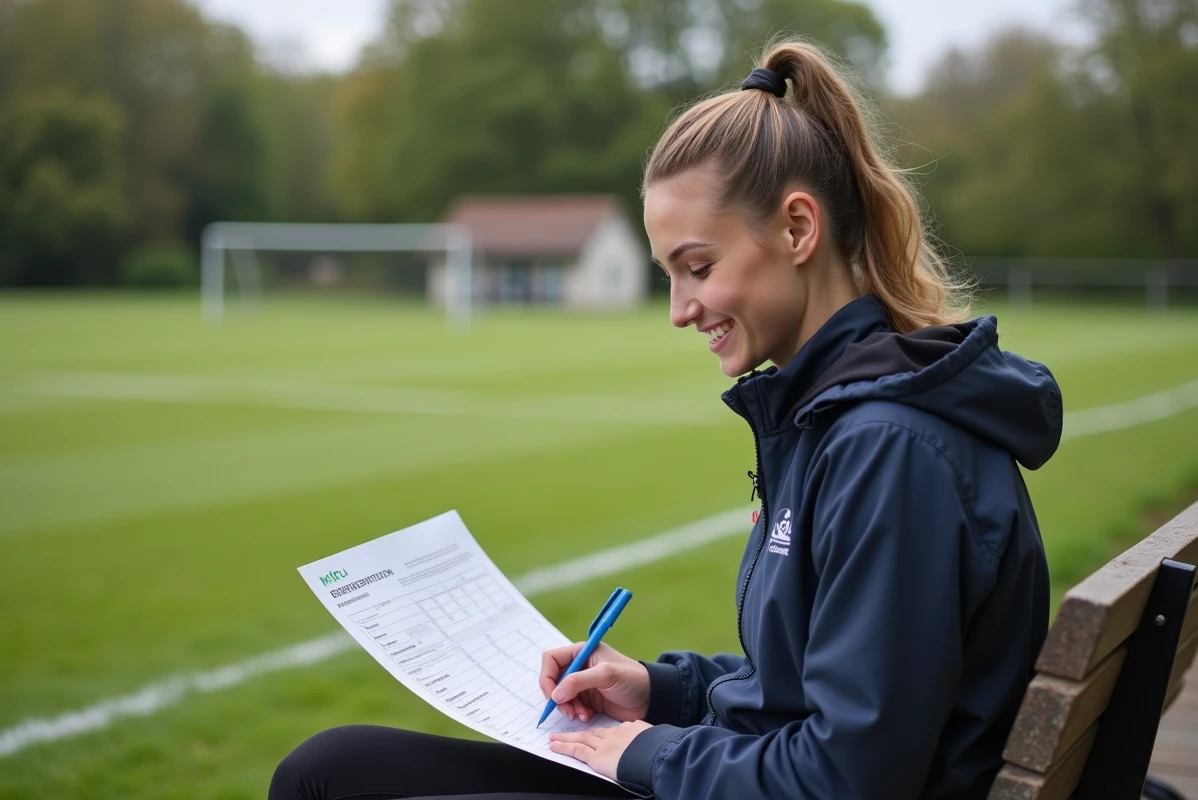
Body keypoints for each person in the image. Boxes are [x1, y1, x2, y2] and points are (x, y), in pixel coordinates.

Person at [269, 38, 1060, 800]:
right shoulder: (836, 418)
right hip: (751, 775)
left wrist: (649, 752)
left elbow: (846, 777)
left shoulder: (890, 449)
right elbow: (800, 687)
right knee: (331, 767)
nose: (681, 310)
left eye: (699, 268)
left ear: (797, 229)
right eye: (669, 276)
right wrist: (658, 689)